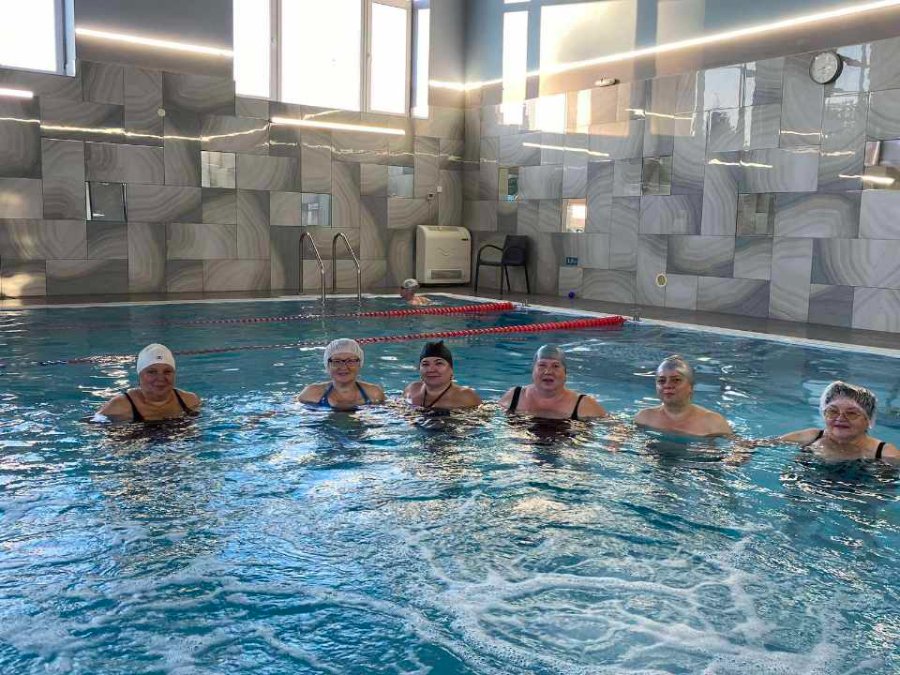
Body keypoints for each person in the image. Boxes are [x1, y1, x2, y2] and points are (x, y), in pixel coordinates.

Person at [780, 381, 898, 462]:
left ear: (868, 420)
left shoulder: (885, 453)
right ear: (824, 414)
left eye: (851, 413)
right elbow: (768, 445)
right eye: (833, 411)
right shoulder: (810, 437)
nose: (840, 418)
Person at [96, 343, 200, 423]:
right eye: (152, 372)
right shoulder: (118, 407)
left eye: (167, 371)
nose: (160, 378)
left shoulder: (189, 401)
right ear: (140, 375)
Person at [499, 344, 607, 420]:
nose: (548, 371)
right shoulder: (515, 397)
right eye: (542, 365)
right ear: (533, 370)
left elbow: (613, 426)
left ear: (565, 373)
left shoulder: (583, 404)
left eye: (555, 366)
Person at [634, 355, 732, 437]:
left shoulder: (713, 424)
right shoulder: (644, 418)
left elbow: (735, 448)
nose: (667, 385)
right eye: (661, 381)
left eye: (676, 380)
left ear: (691, 386)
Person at [298, 338, 385, 409]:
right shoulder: (310, 394)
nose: (343, 367)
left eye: (351, 361)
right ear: (327, 365)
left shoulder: (374, 394)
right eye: (337, 361)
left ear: (360, 364)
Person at [403, 341, 482, 410]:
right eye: (425, 364)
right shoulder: (411, 390)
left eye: (439, 363)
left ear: (451, 370)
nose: (431, 369)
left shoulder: (466, 397)